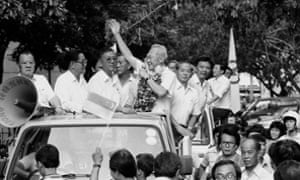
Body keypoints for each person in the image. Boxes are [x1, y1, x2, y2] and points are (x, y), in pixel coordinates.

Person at [109, 19, 177, 114]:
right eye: (147, 57)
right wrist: (117, 34)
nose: (147, 60)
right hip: (139, 117)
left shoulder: (169, 74)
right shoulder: (144, 68)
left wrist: (147, 78)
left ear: (161, 60)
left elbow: (161, 92)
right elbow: (128, 55)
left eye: (151, 57)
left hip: (158, 120)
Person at [170, 61, 201, 139]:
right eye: (182, 71)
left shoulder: (194, 92)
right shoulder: (170, 88)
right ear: (176, 72)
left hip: (183, 129)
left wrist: (189, 129)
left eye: (188, 71)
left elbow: (195, 114)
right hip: (167, 126)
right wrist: (177, 127)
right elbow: (164, 110)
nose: (185, 73)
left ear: (191, 74)